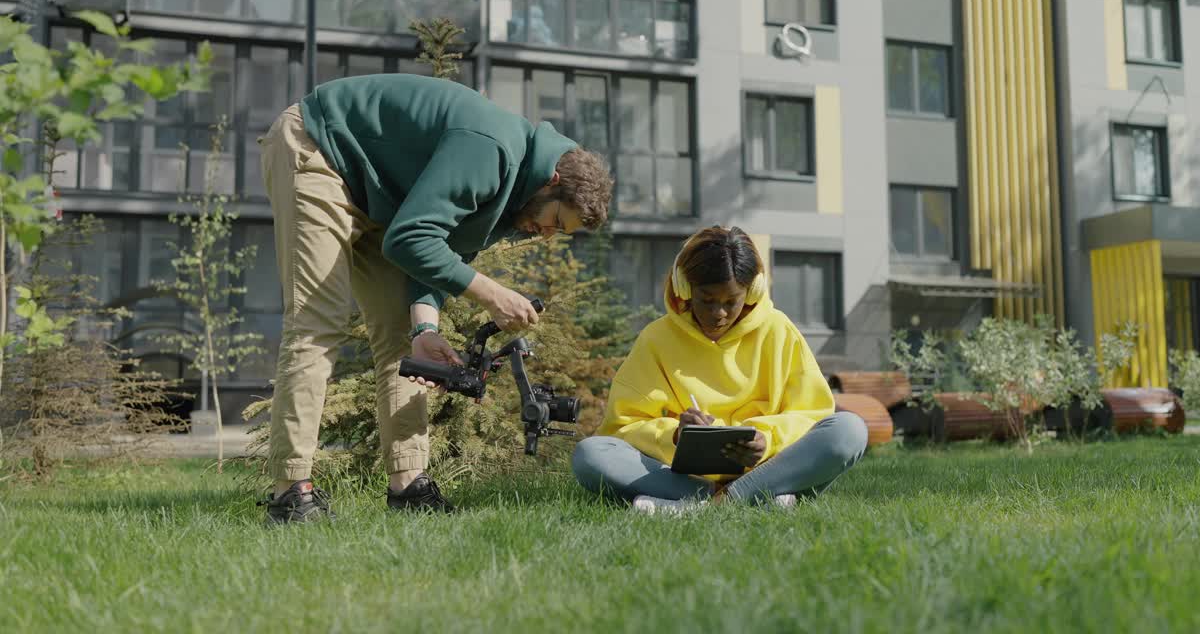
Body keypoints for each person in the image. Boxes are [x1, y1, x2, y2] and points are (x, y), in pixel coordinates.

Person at [258, 73, 613, 524]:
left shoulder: (516, 201)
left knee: (403, 344)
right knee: (318, 322)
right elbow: (408, 240)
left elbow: (435, 254)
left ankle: (408, 486)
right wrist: (491, 293)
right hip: (320, 149)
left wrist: (425, 329)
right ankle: (291, 493)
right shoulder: (492, 150)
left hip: (379, 195)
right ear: (553, 180)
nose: (546, 236)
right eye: (555, 223)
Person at [573, 226, 867, 513]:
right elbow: (622, 427)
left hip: (767, 468)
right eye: (707, 300)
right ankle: (751, 500)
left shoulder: (780, 331)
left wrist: (767, 440)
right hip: (681, 475)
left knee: (849, 430)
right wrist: (674, 435)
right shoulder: (656, 338)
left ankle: (708, 504)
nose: (719, 314)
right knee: (590, 454)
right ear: (684, 288)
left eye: (731, 301)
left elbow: (813, 414)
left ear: (752, 292)